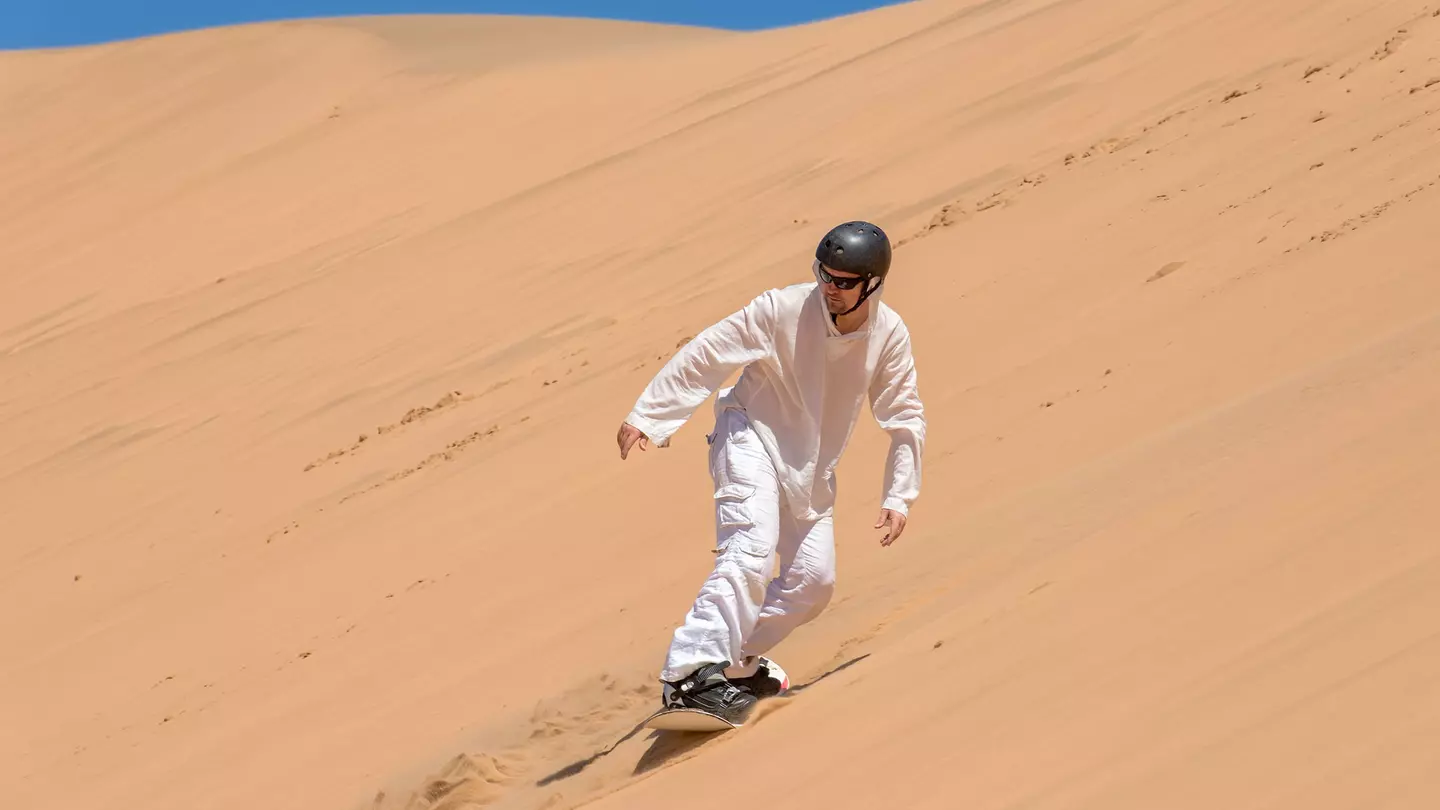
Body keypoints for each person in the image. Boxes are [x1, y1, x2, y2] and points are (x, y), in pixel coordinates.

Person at [615, 221, 926, 722]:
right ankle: (689, 673)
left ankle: (734, 664)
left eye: (845, 281)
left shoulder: (889, 334)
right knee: (751, 550)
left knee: (813, 582)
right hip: (750, 437)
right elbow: (709, 352)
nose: (830, 287)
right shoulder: (781, 308)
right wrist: (650, 415)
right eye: (825, 275)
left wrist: (899, 494)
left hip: (810, 466)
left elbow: (904, 413)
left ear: (873, 284)